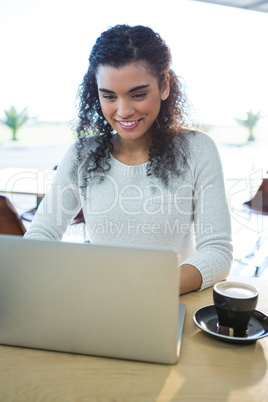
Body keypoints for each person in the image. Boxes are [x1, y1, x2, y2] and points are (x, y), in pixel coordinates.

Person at [24, 24, 233, 294]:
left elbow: (217, 253)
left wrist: (145, 288)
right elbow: (41, 235)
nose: (123, 111)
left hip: (169, 300)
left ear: (164, 86)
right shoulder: (81, 155)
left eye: (138, 94)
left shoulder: (198, 149)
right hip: (100, 300)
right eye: (109, 96)